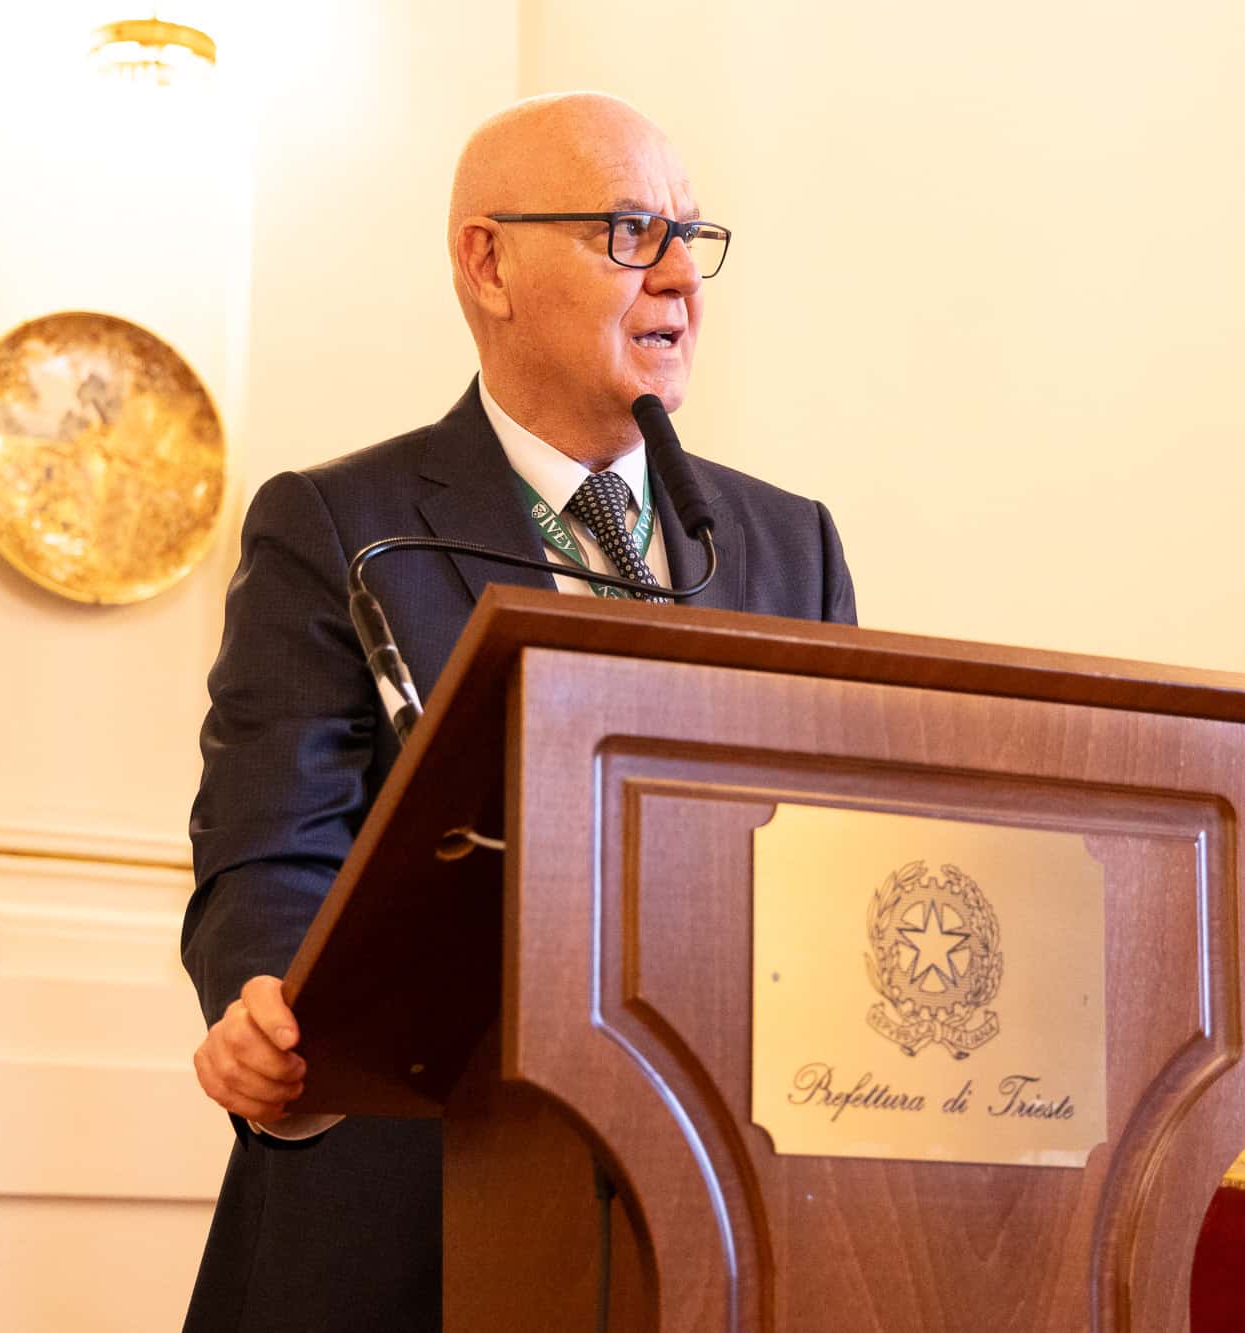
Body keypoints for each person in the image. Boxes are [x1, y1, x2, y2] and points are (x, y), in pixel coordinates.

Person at [180, 91, 858, 1333]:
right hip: (416, 1218)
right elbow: (271, 845)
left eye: (689, 237)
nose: (678, 278)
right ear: (486, 263)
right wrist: (276, 1014)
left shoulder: (785, 546)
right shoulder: (338, 527)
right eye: (628, 231)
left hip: (723, 1216)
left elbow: (841, 855)